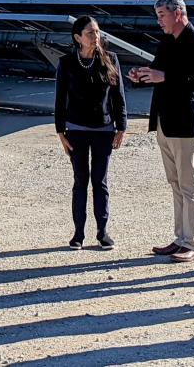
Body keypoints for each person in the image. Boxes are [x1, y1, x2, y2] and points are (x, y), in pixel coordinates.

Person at [128, 0, 194, 263]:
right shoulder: (166, 41)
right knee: (175, 183)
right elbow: (158, 72)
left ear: (178, 13)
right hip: (166, 120)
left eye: (162, 15)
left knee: (189, 183)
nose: (159, 21)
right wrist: (142, 76)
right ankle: (180, 238)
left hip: (186, 122)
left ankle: (192, 241)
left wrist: (164, 76)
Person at [55, 16, 127, 250]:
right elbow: (59, 99)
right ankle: (78, 233)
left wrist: (121, 127)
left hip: (104, 130)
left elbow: (119, 97)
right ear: (78, 38)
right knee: (80, 181)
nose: (95, 36)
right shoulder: (66, 63)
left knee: (100, 181)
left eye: (97, 32)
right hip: (75, 129)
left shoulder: (110, 59)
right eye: (90, 33)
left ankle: (102, 231)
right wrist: (60, 132)